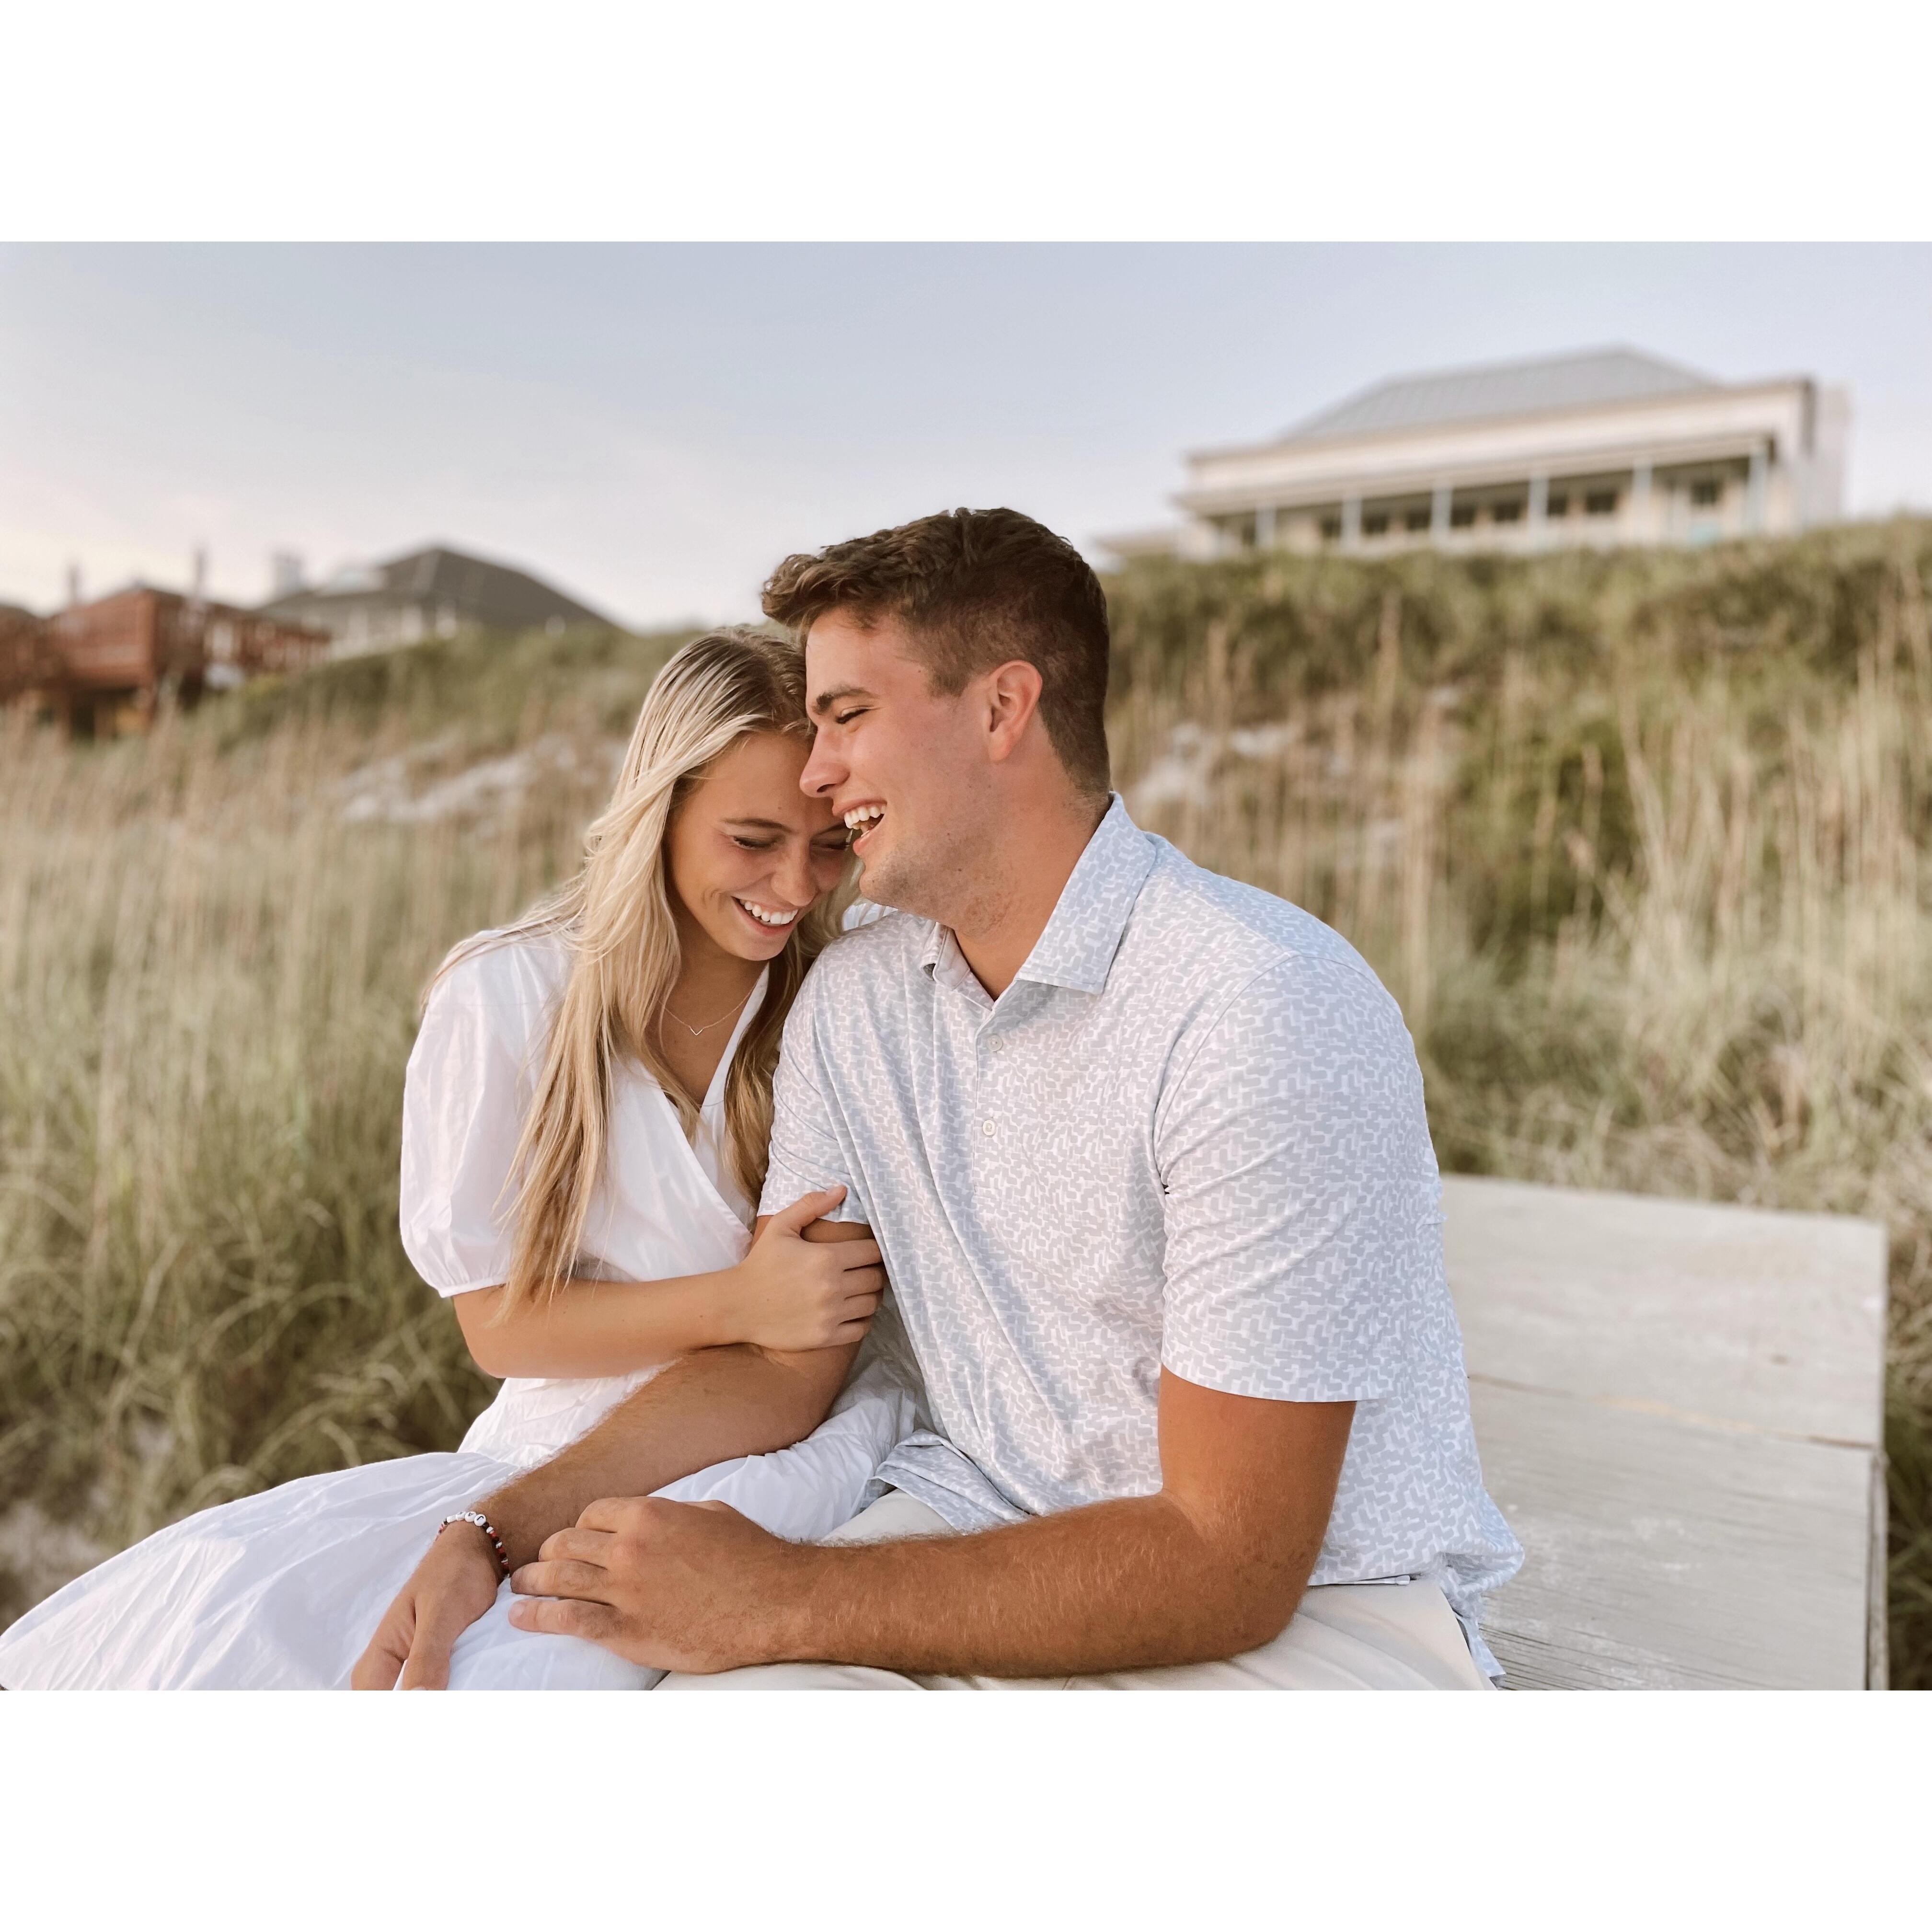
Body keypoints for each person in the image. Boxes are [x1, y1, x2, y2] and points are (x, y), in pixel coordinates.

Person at [498, 507, 1525, 1690]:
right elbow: (789, 1365)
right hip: (973, 1517)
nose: (819, 775)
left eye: (847, 717)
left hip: (1319, 1611)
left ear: (1002, 708)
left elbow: (1228, 1559)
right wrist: (495, 1528)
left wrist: (780, 1595)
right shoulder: (860, 998)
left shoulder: (1257, 1005)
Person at [0, 629, 920, 1691]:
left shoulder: (831, 1004)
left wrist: (772, 1323)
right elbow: (500, 1323)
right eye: (753, 839)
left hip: (776, 1443)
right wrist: (743, 1302)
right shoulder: (510, 1000)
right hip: (550, 1446)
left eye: (827, 845)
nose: (795, 884)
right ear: (660, 808)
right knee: (260, 1637)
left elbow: (805, 1347)